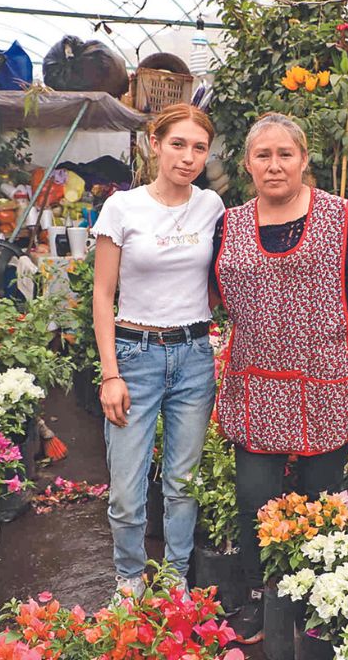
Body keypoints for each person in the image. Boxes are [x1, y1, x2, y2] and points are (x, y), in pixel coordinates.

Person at [211, 113, 348, 644]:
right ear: (248, 164)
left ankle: (317, 598)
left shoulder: (342, 218)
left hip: (330, 378)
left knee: (320, 495)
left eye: (286, 154)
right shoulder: (228, 222)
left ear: (304, 159)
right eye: (263, 155)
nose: (274, 165)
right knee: (254, 494)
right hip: (256, 380)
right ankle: (259, 594)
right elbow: (207, 286)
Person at [91, 103, 225, 598]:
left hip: (193, 356)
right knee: (127, 491)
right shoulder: (122, 209)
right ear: (155, 144)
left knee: (182, 485)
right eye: (178, 144)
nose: (188, 157)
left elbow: (218, 277)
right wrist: (110, 374)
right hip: (134, 356)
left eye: (199, 148)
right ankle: (130, 579)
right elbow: (102, 294)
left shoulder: (211, 206)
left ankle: (174, 581)